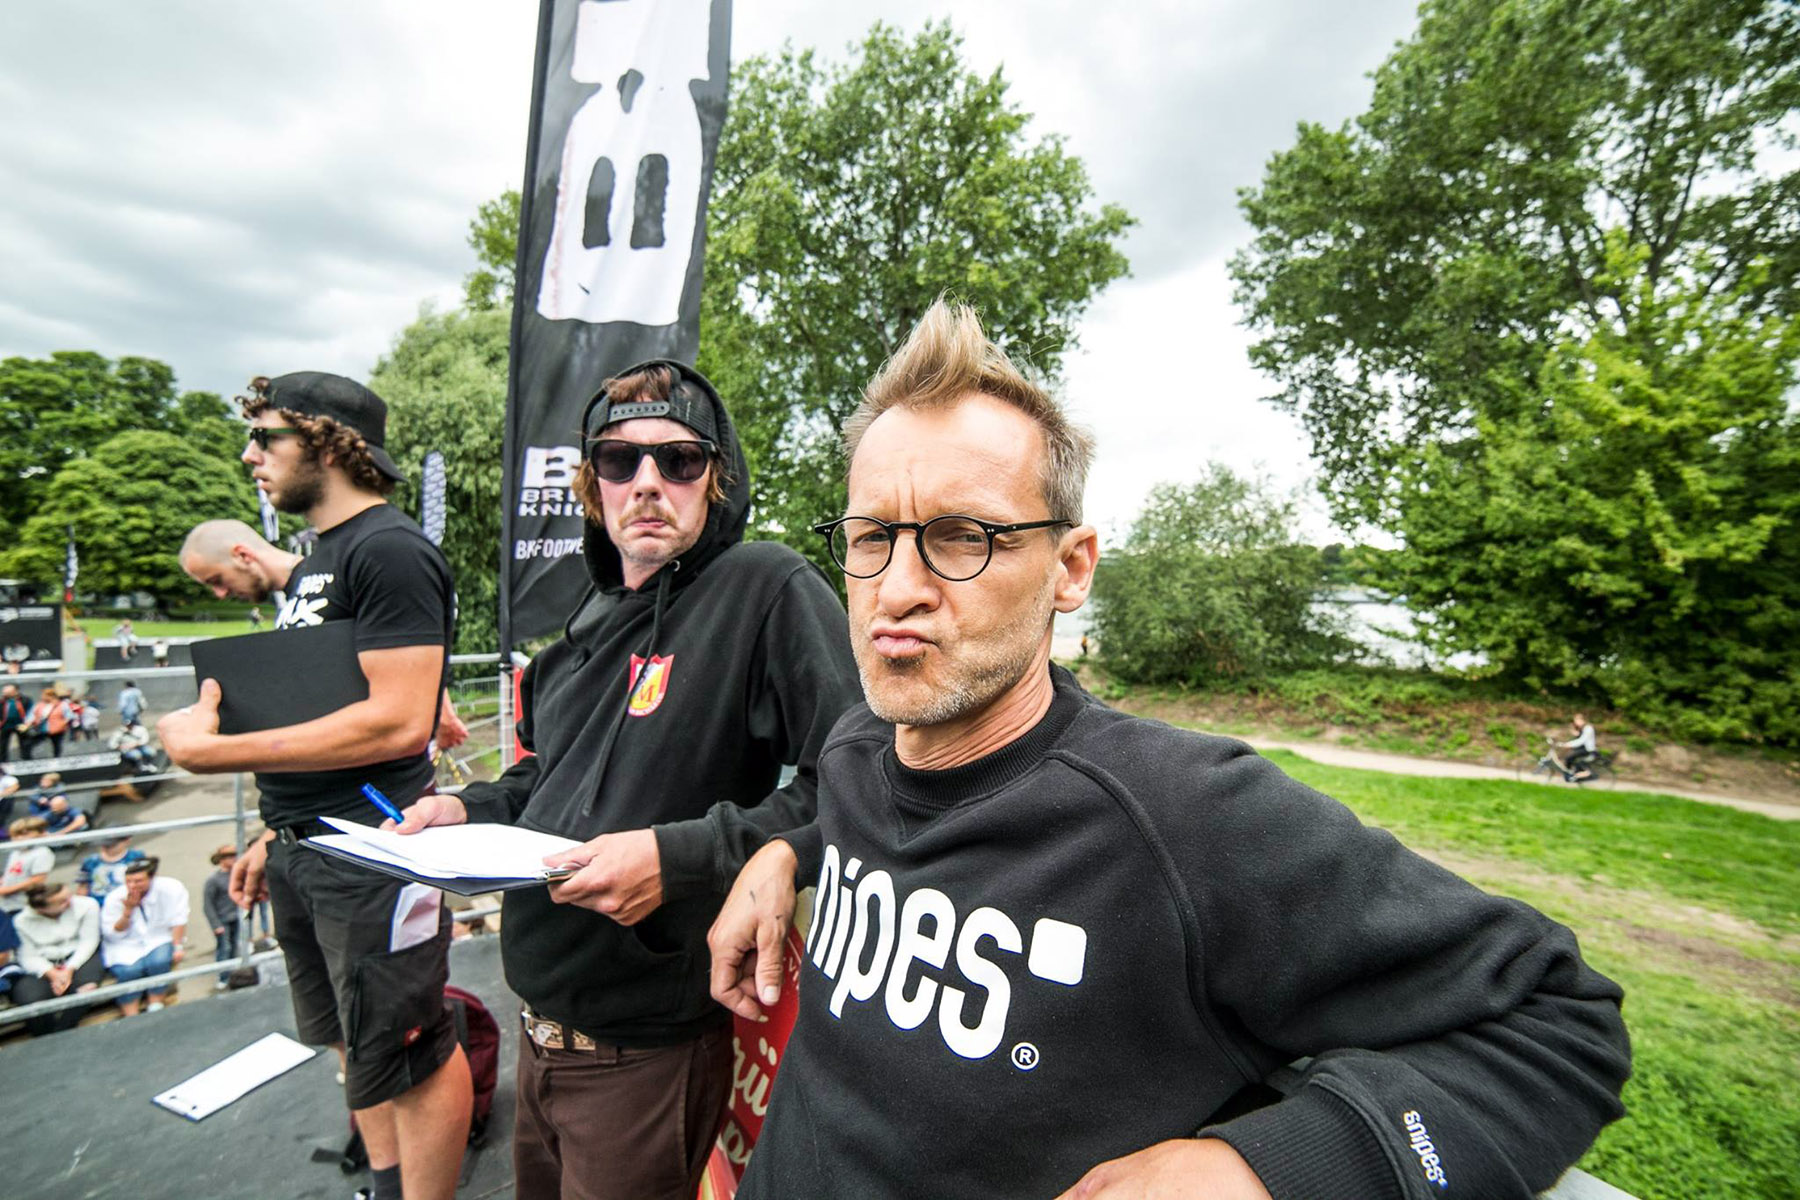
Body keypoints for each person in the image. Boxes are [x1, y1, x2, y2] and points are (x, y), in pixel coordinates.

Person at [707, 302, 1632, 1200]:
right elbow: (870, 807)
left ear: (1071, 568)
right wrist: (783, 853)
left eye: (964, 537)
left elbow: (1560, 1018)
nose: (895, 589)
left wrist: (1271, 1167)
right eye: (871, 536)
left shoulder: (1188, 817)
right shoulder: (861, 741)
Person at [388, 359, 861, 1200]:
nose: (647, 482)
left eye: (678, 460)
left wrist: (676, 858)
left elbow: (858, 781)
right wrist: (466, 805)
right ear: (591, 484)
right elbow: (545, 778)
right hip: (536, 1028)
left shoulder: (765, 587)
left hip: (646, 1050)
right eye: (619, 461)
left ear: (715, 479)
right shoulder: (579, 634)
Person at [157, 372, 471, 1200]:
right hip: (308, 847)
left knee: (412, 1052)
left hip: (372, 849)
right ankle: (384, 1178)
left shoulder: (390, 549)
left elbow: (396, 722)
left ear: (329, 442)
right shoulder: (313, 565)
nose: (249, 454)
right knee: (346, 1039)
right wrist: (274, 830)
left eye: (267, 438)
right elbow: (335, 712)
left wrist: (211, 754)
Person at [177, 518, 471, 752]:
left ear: (242, 555)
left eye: (217, 580)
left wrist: (441, 708)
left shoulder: (339, 569)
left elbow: (401, 638)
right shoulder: (295, 596)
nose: (220, 593)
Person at [10, 881, 105, 1036]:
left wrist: (69, 969)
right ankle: (46, 1036)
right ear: (41, 909)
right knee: (31, 999)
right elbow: (27, 956)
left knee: (86, 988)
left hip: (79, 956)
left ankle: (61, 1034)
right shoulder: (21, 921)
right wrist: (52, 973)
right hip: (43, 964)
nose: (70, 901)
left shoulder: (86, 905)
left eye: (68, 896)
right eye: (62, 901)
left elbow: (89, 941)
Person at [100, 857, 189, 1016]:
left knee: (159, 962)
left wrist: (178, 947)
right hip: (125, 944)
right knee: (129, 971)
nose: (133, 886)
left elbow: (179, 919)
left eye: (138, 881)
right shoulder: (115, 898)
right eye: (129, 881)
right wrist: (128, 911)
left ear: (152, 878)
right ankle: (131, 1013)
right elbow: (111, 932)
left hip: (158, 938)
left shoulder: (172, 888)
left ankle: (155, 1005)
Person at [204, 843, 244, 988]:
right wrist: (216, 924)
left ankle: (233, 974)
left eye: (234, 855)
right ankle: (223, 977)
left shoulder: (238, 875)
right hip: (222, 920)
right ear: (221, 860)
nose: (233, 859)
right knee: (224, 948)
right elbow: (208, 904)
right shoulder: (213, 880)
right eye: (229, 857)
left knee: (235, 947)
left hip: (237, 917)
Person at [1, 816, 54, 916]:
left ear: (41, 833)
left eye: (24, 834)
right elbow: (11, 872)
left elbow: (37, 880)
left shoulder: (42, 853)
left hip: (23, 905)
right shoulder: (16, 852)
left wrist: (6, 890)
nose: (18, 838)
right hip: (6, 905)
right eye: (15, 835)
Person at [77, 834, 147, 902]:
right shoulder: (90, 861)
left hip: (127, 902)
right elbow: (83, 887)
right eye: (104, 845)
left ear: (127, 840)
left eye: (112, 845)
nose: (106, 848)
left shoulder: (136, 857)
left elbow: (148, 881)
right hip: (99, 904)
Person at [1549, 712, 1600, 781]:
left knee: (1570, 758)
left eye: (1577, 720)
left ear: (1583, 720)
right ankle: (1569, 775)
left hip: (1588, 750)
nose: (1575, 722)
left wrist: (1568, 744)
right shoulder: (1582, 729)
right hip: (1582, 749)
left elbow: (1582, 740)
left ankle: (1573, 776)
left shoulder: (1588, 728)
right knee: (1569, 758)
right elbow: (1579, 738)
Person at [26, 686, 73, 758]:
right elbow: (32, 715)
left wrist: (63, 724)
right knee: (31, 743)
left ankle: (57, 759)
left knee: (56, 745)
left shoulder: (62, 705)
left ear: (50, 696)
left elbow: (69, 716)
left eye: (44, 695)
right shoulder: (39, 705)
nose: (42, 697)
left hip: (57, 729)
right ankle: (28, 758)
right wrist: (28, 723)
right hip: (42, 728)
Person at [1, 683, 30, 761]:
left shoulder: (25, 699)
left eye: (8, 692)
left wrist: (27, 723)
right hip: (6, 724)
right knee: (3, 744)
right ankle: (3, 761)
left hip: (20, 724)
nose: (5, 693)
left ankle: (26, 759)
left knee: (24, 743)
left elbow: (31, 711)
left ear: (15, 691)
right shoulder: (3, 700)